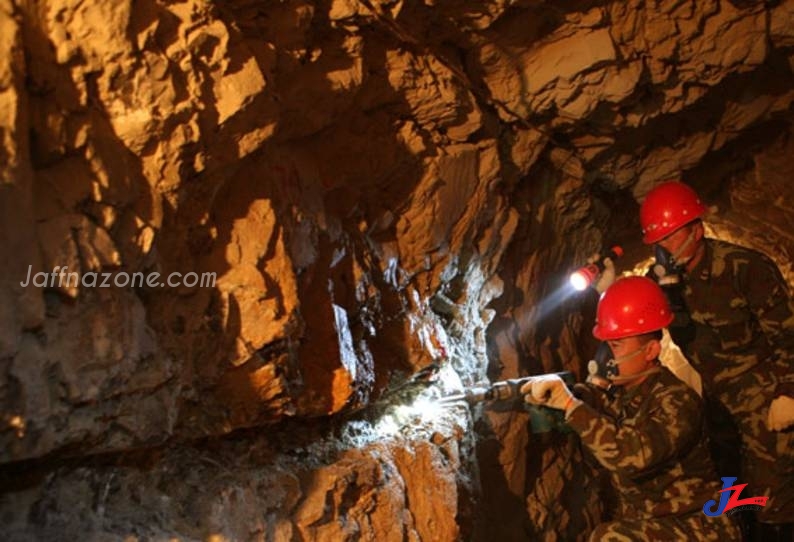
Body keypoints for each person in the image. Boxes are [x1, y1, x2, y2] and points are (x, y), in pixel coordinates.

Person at [522, 276, 740, 540]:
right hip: (653, 523)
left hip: (699, 525)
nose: (607, 355)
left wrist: (571, 406)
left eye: (616, 345)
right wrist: (572, 398)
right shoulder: (624, 395)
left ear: (650, 351)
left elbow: (632, 456)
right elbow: (601, 418)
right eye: (607, 344)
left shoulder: (677, 400)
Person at [639, 180, 794, 539]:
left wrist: (787, 391)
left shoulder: (745, 268)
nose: (665, 248)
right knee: (730, 491)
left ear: (697, 229)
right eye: (658, 241)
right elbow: (639, 334)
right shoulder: (661, 283)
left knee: (775, 498)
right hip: (717, 400)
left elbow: (788, 337)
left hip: (765, 398)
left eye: (672, 236)